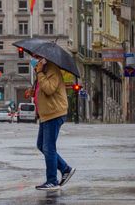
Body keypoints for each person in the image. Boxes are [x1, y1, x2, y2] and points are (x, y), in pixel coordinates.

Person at [32, 55, 76, 191]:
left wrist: (39, 72)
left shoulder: (52, 69)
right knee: (41, 145)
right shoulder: (44, 69)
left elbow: (49, 89)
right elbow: (42, 89)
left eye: (37, 56)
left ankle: (52, 181)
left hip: (54, 113)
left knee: (49, 148)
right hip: (46, 114)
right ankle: (65, 169)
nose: (35, 58)